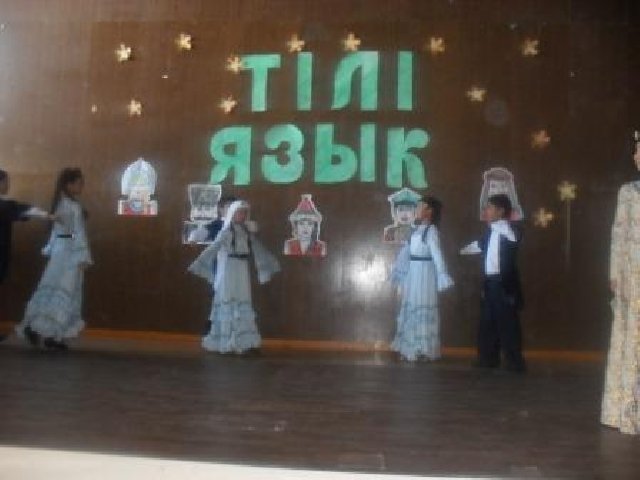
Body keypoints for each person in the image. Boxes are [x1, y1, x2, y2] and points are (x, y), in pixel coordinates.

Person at [188, 200, 280, 354]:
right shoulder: (225, 231)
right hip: (228, 268)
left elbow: (258, 248)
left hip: (241, 269)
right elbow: (213, 247)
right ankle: (226, 342)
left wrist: (269, 264)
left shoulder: (245, 231)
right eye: (239, 212)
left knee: (242, 300)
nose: (242, 215)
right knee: (228, 299)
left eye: (244, 213)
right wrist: (200, 262)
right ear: (232, 213)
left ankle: (244, 342)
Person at [16, 168, 92, 351]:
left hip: (61, 252)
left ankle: (50, 333)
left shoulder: (62, 204)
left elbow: (60, 234)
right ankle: (46, 332)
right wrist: (83, 255)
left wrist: (56, 248)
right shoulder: (70, 206)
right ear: (69, 184)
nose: (81, 186)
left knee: (54, 290)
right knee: (64, 291)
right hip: (69, 254)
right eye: (79, 183)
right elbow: (77, 234)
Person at [460, 194, 526, 373]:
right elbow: (479, 245)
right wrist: (461, 250)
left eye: (489, 208)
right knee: (487, 321)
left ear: (501, 211)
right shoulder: (490, 232)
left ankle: (514, 361)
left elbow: (512, 237)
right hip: (490, 283)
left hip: (504, 284)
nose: (486, 211)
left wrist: (499, 225)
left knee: (508, 322)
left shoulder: (510, 230)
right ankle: (488, 358)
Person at [601, 132, 640, 435]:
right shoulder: (628, 191)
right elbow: (618, 233)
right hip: (633, 275)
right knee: (632, 337)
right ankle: (626, 408)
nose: (637, 157)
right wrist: (615, 273)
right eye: (636, 152)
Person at [390, 196, 454, 361]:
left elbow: (437, 255)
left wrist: (442, 274)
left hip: (425, 274)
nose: (417, 209)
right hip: (413, 273)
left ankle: (424, 350)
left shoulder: (431, 231)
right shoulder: (416, 230)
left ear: (429, 211)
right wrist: (398, 271)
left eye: (420, 206)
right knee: (411, 305)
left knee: (422, 305)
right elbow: (406, 253)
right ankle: (409, 347)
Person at [0, 169, 52, 341]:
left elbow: (22, 209)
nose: (8, 185)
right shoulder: (4, 206)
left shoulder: (5, 205)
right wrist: (46, 215)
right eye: (5, 182)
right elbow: (23, 209)